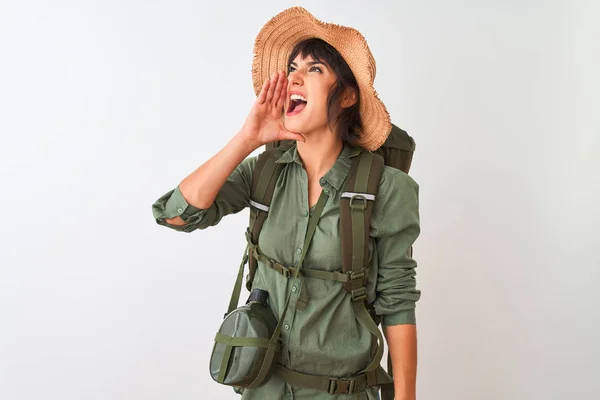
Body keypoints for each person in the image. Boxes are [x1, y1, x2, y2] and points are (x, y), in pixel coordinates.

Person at [152, 7, 420, 400]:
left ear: (347, 95)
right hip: (262, 389)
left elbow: (398, 302)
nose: (294, 76)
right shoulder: (264, 171)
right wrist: (247, 138)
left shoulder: (387, 187)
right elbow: (175, 215)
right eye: (293, 67)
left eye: (314, 69)